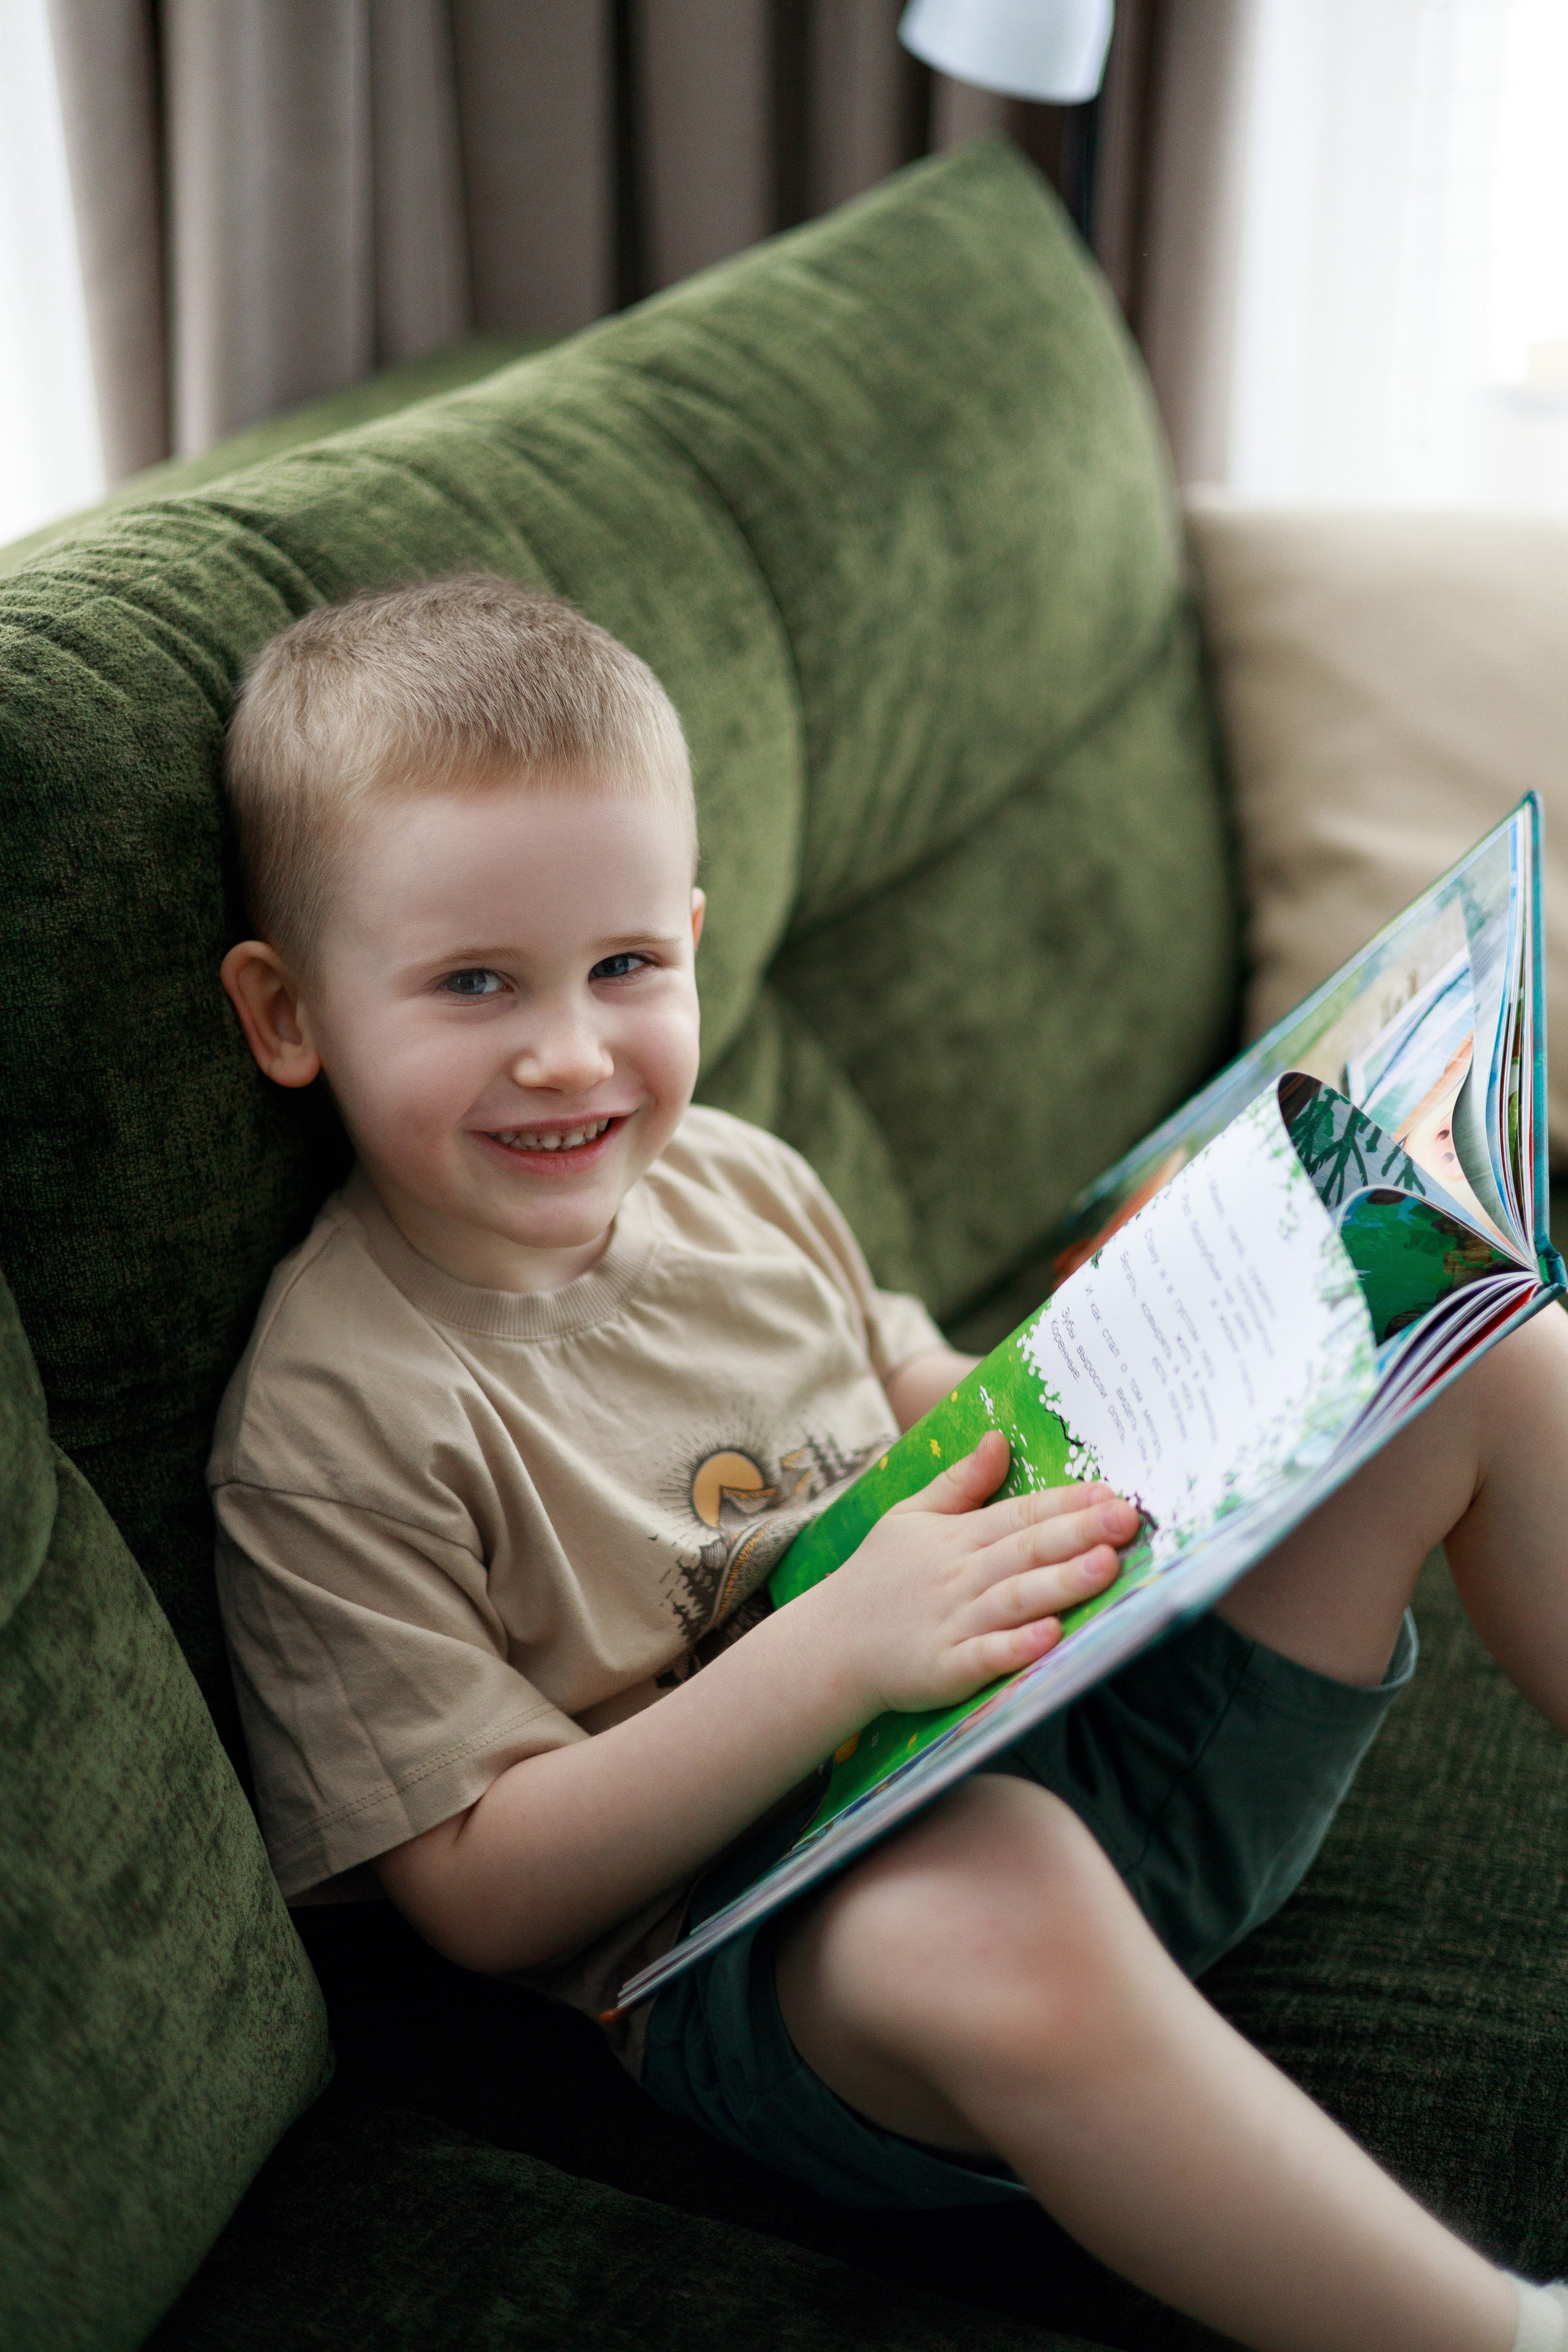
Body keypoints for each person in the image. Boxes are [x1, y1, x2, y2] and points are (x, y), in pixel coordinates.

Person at [212, 574, 1568, 2352]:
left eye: (627, 966)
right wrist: (838, 1646)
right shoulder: (333, 1424)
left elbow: (916, 1377)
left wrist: (1142, 1359)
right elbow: (476, 1889)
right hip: (776, 1947)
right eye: (474, 984)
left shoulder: (742, 1182)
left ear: (691, 938)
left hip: (1088, 1713)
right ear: (288, 1014)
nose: (569, 1050)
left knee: (1500, 1356)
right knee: (982, 1878)